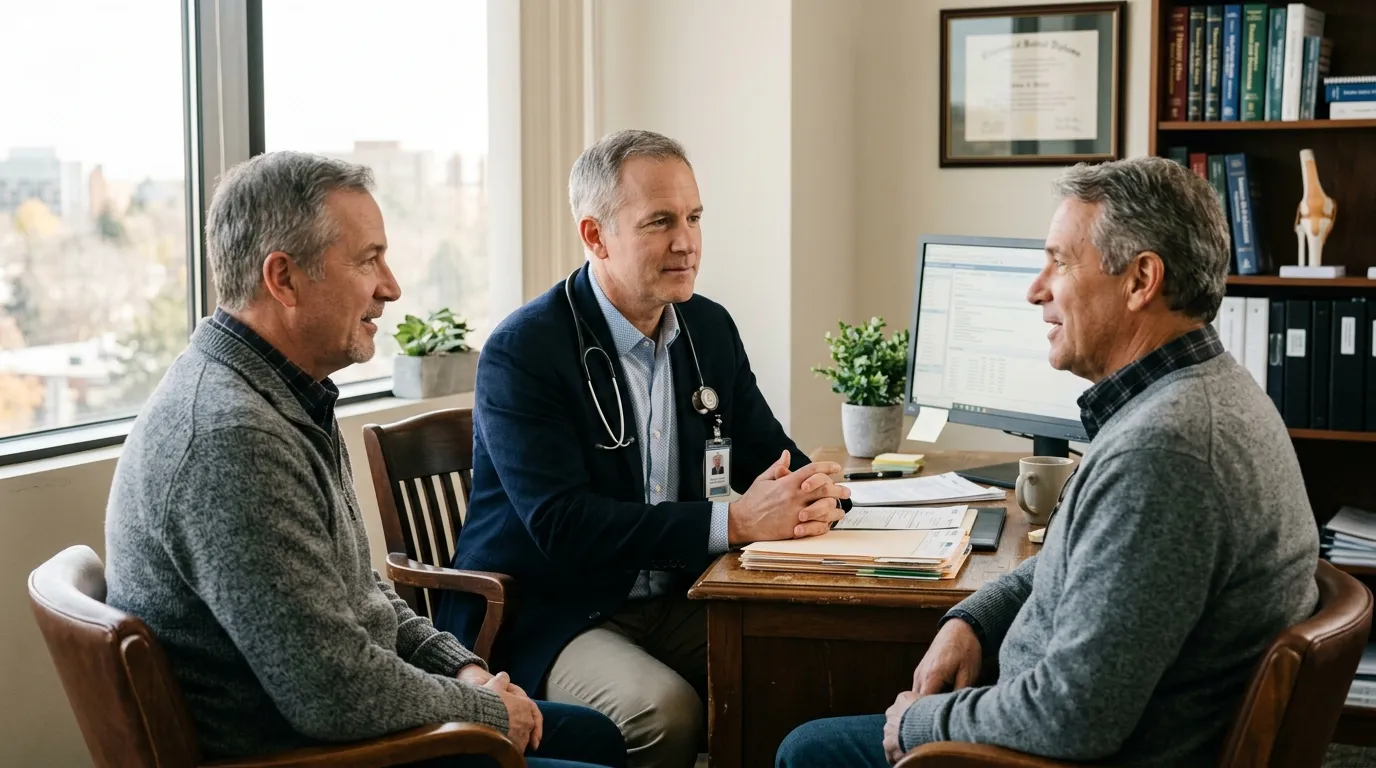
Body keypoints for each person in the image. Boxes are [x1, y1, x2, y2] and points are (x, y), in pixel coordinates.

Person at [775, 156, 1321, 767]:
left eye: (1059, 261)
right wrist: (974, 622)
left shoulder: (1164, 452)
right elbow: (1066, 563)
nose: (1035, 289)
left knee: (806, 751)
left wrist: (923, 723)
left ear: (1141, 280)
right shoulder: (1200, 393)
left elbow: (1074, 715)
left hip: (1066, 757)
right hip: (1075, 726)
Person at [104, 151, 625, 768]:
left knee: (596, 736)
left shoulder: (281, 398)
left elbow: (360, 597)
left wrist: (464, 669)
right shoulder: (231, 439)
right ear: (284, 279)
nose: (391, 286)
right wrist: (486, 710)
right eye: (367, 260)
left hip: (347, 730)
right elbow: (328, 691)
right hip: (318, 753)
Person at [433, 129, 850, 768]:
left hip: (681, 595)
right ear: (595, 236)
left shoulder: (707, 327)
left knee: (796, 665)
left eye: (693, 218)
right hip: (556, 612)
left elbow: (771, 458)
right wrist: (734, 521)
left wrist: (818, 494)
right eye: (659, 222)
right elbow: (563, 526)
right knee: (665, 712)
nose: (686, 242)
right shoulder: (526, 350)